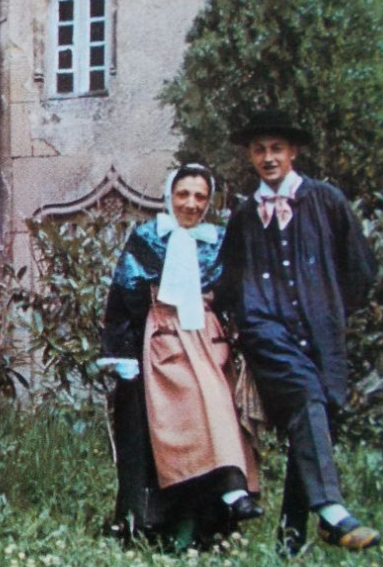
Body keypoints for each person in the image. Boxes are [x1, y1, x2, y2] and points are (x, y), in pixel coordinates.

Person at [215, 109, 380, 553]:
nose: (268, 157)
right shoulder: (245, 217)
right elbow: (227, 280)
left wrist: (329, 308)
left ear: (293, 153)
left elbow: (361, 269)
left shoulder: (326, 200)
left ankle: (291, 539)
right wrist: (250, 319)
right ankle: (331, 508)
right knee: (307, 398)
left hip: (320, 333)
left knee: (311, 418)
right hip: (267, 333)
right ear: (251, 157)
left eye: (276, 149)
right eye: (259, 150)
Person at [99, 164, 261, 546]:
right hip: (163, 339)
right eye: (183, 194)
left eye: (200, 196)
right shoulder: (147, 238)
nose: (190, 204)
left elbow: (235, 295)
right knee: (193, 402)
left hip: (207, 338)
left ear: (209, 201)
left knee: (216, 401)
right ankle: (221, 489)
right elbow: (122, 296)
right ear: (169, 196)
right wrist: (121, 352)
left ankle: (220, 503)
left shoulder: (218, 241)